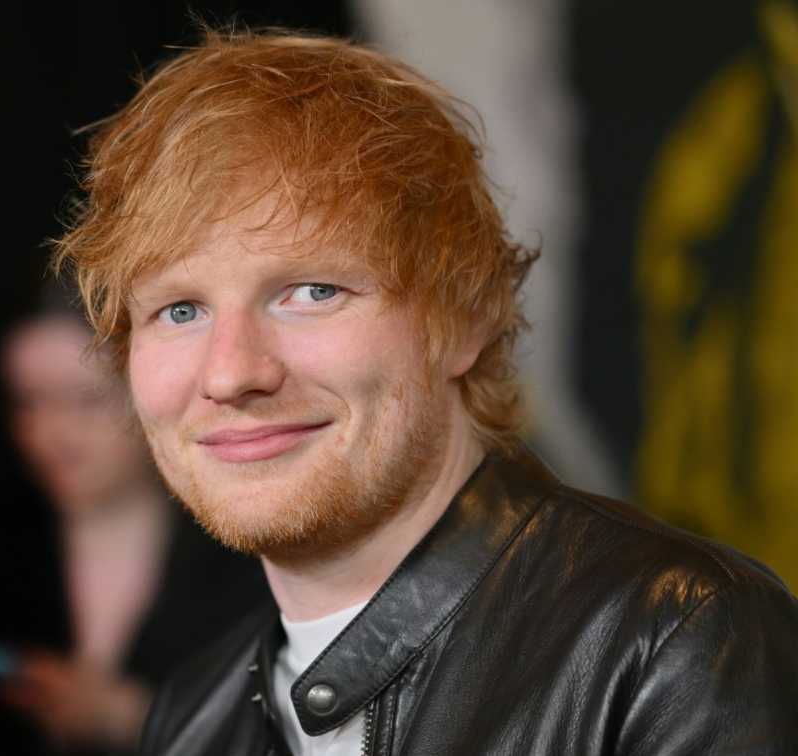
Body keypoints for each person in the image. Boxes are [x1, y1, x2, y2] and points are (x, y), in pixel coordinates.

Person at [52, 27, 798, 756]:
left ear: (465, 316)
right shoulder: (189, 717)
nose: (230, 372)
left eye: (312, 291)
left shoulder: (682, 645)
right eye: (179, 311)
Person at [0, 296, 268, 756]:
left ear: (149, 394)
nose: (52, 433)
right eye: (28, 403)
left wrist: (136, 719)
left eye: (86, 402)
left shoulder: (246, 554)